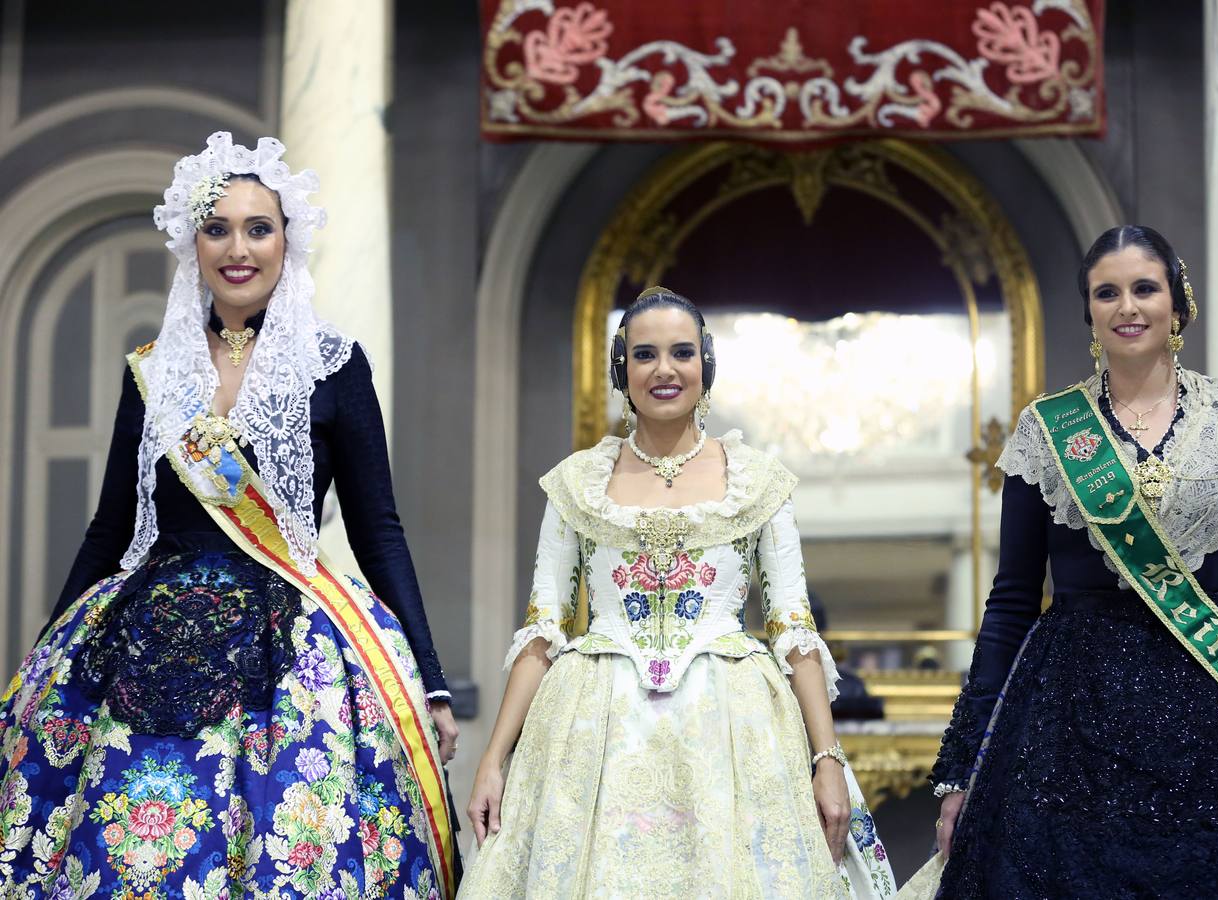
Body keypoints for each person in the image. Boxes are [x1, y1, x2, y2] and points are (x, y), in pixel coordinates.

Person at [0, 133, 460, 899]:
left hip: (294, 647)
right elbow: (109, 531)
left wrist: (433, 681)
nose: (238, 248)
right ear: (192, 244)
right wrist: (44, 662)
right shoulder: (152, 371)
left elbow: (379, 529)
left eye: (259, 227)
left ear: (289, 241)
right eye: (218, 228)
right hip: (144, 638)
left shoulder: (334, 366)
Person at [922, 225, 1218, 897]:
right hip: (1070, 721)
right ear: (1089, 311)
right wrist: (963, 769)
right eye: (1107, 292)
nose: (1128, 307)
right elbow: (1010, 601)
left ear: (1177, 304)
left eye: (1145, 288)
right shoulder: (1047, 429)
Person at [458, 287, 896, 898]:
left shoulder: (759, 482)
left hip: (732, 729)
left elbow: (794, 629)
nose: (664, 369)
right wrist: (493, 760)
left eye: (681, 353)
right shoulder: (577, 483)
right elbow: (541, 631)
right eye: (645, 355)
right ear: (623, 371)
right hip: (594, 729)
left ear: (705, 366)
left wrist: (827, 758)